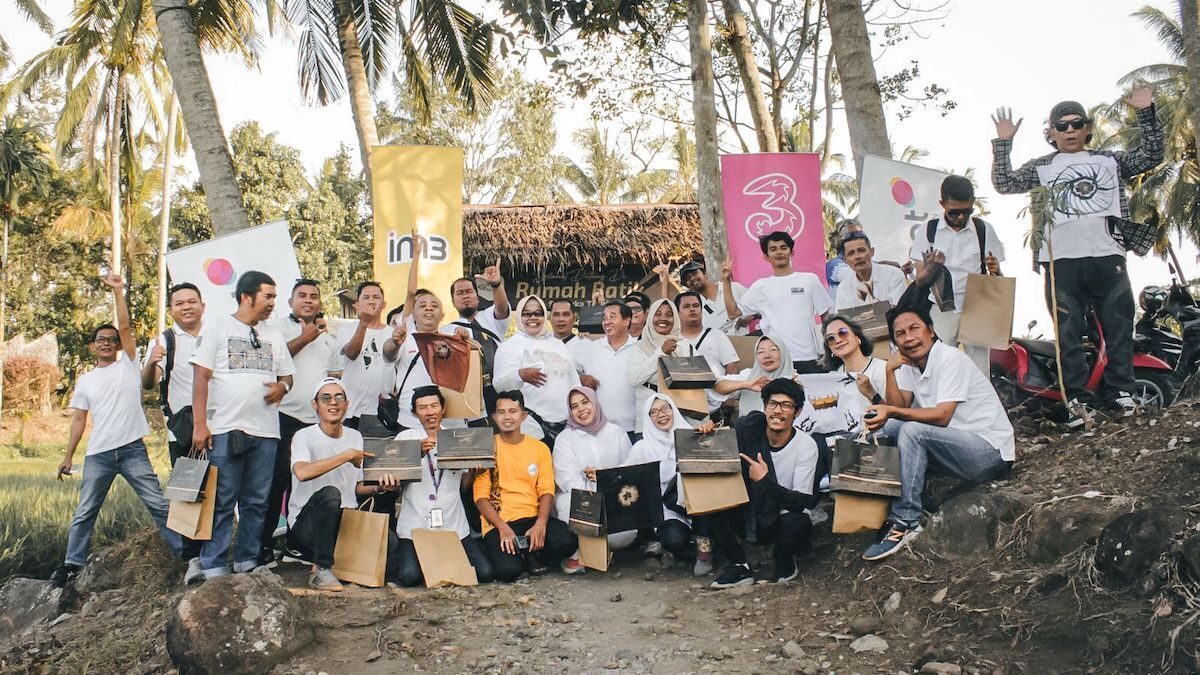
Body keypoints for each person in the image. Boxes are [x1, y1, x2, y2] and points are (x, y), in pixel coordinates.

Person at [991, 86, 1161, 422]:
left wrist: (1145, 112)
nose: (1070, 130)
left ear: (1087, 129)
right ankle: (1078, 401)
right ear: (1051, 133)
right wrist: (1003, 143)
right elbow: (1004, 182)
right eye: (1062, 125)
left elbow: (1151, 156)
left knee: (1118, 330)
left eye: (1076, 123)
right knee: (1068, 336)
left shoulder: (1108, 160)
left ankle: (1122, 393)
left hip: (1107, 256)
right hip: (1060, 263)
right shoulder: (1042, 166)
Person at [51, 275, 182, 587]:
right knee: (85, 511)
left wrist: (117, 291)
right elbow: (79, 420)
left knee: (159, 505)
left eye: (111, 339)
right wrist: (68, 456)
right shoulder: (85, 381)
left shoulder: (128, 364)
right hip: (98, 455)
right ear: (92, 346)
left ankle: (184, 555)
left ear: (119, 344)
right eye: (100, 339)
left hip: (132, 450)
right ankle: (72, 564)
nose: (107, 342)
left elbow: (124, 327)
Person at [861, 307, 1015, 561]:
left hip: (989, 451)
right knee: (887, 427)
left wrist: (889, 410)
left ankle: (906, 519)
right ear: (895, 342)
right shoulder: (911, 365)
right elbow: (900, 407)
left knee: (912, 431)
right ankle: (879, 504)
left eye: (914, 329)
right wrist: (890, 371)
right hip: (955, 445)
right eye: (900, 334)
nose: (908, 337)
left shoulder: (950, 358)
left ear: (931, 331)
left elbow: (943, 416)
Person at [190, 270, 296, 580]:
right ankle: (213, 564)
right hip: (225, 428)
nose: (273, 303)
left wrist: (283, 388)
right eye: (268, 296)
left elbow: (287, 374)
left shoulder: (274, 334)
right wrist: (200, 425)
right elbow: (201, 377)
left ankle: (247, 560)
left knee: (257, 500)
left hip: (265, 431)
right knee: (222, 498)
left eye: (274, 297)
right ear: (246, 297)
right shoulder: (217, 328)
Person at [286, 378, 403, 591]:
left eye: (339, 397)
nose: (334, 403)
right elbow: (302, 473)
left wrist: (380, 488)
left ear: (347, 405)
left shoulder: (354, 436)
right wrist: (345, 456)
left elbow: (356, 488)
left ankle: (345, 565)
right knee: (330, 494)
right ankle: (320, 570)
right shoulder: (303, 436)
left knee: (392, 543)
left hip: (345, 519)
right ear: (315, 405)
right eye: (326, 398)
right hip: (308, 525)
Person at [710, 378, 821, 589]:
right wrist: (710, 432)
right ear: (764, 407)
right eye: (773, 404)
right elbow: (721, 453)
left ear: (797, 412)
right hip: (749, 513)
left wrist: (764, 481)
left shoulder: (806, 446)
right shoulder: (750, 431)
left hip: (780, 519)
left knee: (797, 521)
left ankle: (784, 562)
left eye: (786, 405)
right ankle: (738, 564)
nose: (778, 411)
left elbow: (801, 502)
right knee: (712, 499)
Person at [262, 279, 343, 565]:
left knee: (311, 484)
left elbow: (335, 377)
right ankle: (264, 547)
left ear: (320, 303)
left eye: (314, 296)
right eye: (302, 296)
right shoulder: (276, 330)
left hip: (316, 423)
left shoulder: (329, 338)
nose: (308, 300)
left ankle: (300, 544)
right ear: (290, 302)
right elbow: (273, 363)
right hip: (284, 418)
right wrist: (306, 337)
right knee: (276, 482)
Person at [474, 391, 579, 582]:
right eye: (501, 412)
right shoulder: (486, 448)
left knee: (567, 541)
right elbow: (480, 497)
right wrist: (503, 528)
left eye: (513, 411)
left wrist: (541, 523)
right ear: (494, 417)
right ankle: (518, 556)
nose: (507, 417)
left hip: (532, 517)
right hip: (500, 521)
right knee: (508, 571)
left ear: (523, 416)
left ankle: (533, 554)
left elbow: (546, 490)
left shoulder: (539, 448)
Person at [393, 386, 493, 586]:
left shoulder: (458, 438)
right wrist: (416, 453)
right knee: (408, 577)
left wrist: (473, 471)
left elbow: (464, 486)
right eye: (422, 408)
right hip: (415, 525)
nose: (429, 412)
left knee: (485, 573)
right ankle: (432, 563)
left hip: (452, 523)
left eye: (434, 405)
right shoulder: (405, 439)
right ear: (414, 413)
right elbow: (395, 482)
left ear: (443, 408)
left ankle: (437, 563)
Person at [140, 282, 205, 582]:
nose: (187, 306)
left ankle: (223, 553)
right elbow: (149, 384)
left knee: (227, 492)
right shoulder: (165, 340)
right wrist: (152, 362)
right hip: (183, 430)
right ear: (172, 309)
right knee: (188, 495)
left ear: (203, 305)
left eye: (192, 301)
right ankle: (193, 559)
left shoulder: (215, 334)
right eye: (180, 303)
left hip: (221, 426)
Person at [908, 176, 1005, 375]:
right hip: (941, 307)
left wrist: (996, 270)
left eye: (967, 211)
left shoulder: (983, 229)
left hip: (976, 306)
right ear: (942, 204)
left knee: (979, 371)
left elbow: (998, 278)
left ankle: (978, 406)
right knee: (941, 367)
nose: (961, 217)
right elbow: (919, 280)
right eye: (954, 212)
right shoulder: (929, 230)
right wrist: (933, 267)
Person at [627, 395, 716, 571]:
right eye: (654, 412)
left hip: (698, 506)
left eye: (665, 408)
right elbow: (624, 473)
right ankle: (683, 546)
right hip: (668, 509)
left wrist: (709, 434)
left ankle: (704, 551)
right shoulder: (643, 447)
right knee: (674, 540)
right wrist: (597, 472)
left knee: (703, 498)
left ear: (674, 410)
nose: (661, 414)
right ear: (648, 418)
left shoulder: (692, 436)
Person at [553, 386, 636, 573]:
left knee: (625, 536)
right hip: (580, 499)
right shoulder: (565, 439)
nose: (581, 409)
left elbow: (628, 472)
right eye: (574, 406)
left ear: (595, 403)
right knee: (567, 503)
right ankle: (582, 552)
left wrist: (604, 477)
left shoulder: (616, 433)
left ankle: (597, 551)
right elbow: (568, 481)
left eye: (585, 402)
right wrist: (594, 486)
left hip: (614, 496)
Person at [733, 232, 833, 373]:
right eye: (773, 249)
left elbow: (826, 316)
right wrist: (725, 280)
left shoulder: (809, 280)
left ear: (791, 252)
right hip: (777, 360)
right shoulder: (760, 286)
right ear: (766, 257)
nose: (779, 252)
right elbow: (733, 313)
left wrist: (827, 349)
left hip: (809, 357)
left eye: (783, 247)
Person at [493, 296, 582, 446]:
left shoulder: (557, 344)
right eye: (527, 313)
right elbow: (499, 385)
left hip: (567, 425)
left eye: (538, 313)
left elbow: (573, 380)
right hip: (531, 425)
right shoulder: (510, 346)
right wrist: (520, 375)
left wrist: (578, 410)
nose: (533, 317)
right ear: (519, 316)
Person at [444, 262, 511, 414]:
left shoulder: (490, 317)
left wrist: (496, 285)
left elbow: (501, 308)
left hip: (499, 393)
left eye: (469, 291)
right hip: (466, 398)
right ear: (453, 301)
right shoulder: (446, 331)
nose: (465, 295)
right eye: (459, 293)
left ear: (477, 296)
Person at [338, 281, 396, 428]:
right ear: (357, 304)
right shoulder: (346, 329)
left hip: (385, 412)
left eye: (376, 297)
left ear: (384, 304)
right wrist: (363, 323)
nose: (371, 301)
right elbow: (351, 353)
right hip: (351, 411)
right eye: (366, 297)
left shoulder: (393, 333)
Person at [676, 291, 741, 421]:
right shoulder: (673, 341)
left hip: (717, 408)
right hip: (684, 409)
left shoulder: (716, 335)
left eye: (696, 305)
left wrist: (728, 397)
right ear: (677, 312)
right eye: (686, 306)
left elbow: (732, 366)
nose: (692, 309)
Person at [578, 301, 639, 434]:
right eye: (604, 318)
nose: (607, 322)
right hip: (599, 427)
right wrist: (581, 377)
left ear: (627, 321)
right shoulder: (591, 348)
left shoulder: (639, 348)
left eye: (612, 316)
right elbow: (570, 372)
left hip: (633, 427)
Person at [626, 299, 684, 435]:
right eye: (658, 314)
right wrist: (661, 353)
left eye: (669, 314)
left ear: (675, 318)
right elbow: (633, 378)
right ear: (651, 317)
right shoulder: (638, 347)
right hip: (648, 424)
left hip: (680, 422)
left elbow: (698, 383)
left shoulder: (685, 346)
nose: (663, 318)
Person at [714, 335, 795, 415]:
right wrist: (747, 384)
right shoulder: (750, 376)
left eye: (773, 350)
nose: (767, 356)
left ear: (783, 353)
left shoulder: (796, 381)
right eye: (761, 352)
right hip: (748, 427)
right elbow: (718, 386)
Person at [834, 232, 908, 312]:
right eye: (851, 253)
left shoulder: (894, 275)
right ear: (845, 260)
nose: (857, 256)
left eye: (861, 250)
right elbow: (842, 320)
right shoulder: (843, 288)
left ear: (872, 252)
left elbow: (900, 312)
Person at [679, 260, 747, 336]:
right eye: (687, 279)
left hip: (746, 340)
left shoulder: (733, 287)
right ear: (687, 286)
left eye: (694, 273)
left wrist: (749, 317)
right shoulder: (696, 307)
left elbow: (758, 306)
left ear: (705, 273)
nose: (692, 278)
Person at [825, 218, 863, 294]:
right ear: (838, 240)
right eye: (851, 236)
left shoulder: (868, 261)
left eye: (861, 234)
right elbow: (857, 275)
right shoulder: (833, 265)